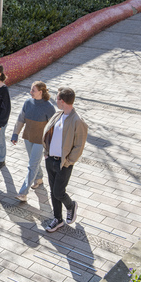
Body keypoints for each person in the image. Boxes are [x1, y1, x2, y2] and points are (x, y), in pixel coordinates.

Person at [42, 87, 88, 232]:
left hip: (64, 163)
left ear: (62, 101)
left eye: (57, 99)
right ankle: (58, 219)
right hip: (50, 160)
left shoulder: (77, 121)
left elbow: (79, 145)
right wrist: (46, 152)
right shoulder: (58, 115)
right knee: (53, 191)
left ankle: (71, 206)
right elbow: (49, 134)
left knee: (58, 192)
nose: (55, 101)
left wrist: (69, 162)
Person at [11, 81, 56, 202]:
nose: (30, 92)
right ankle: (39, 178)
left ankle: (23, 193)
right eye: (31, 90)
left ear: (40, 92)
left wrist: (51, 145)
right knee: (33, 162)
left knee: (32, 165)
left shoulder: (49, 107)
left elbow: (54, 127)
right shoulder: (28, 103)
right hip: (28, 137)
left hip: (40, 141)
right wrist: (15, 133)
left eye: (33, 90)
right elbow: (21, 119)